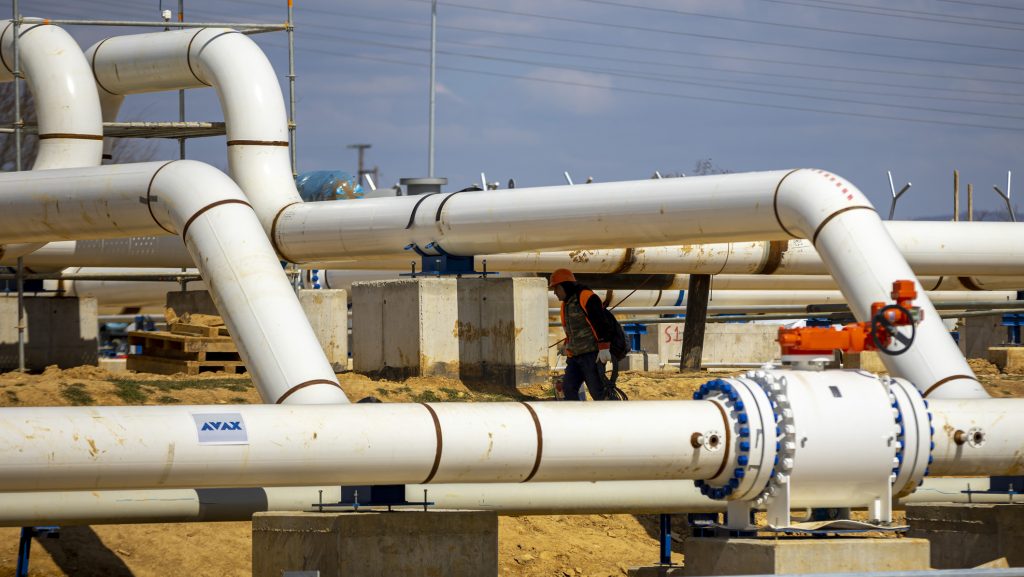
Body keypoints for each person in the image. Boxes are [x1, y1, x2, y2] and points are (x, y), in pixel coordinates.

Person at [550, 268, 614, 401]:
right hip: (575, 357)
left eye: (556, 288)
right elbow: (571, 329)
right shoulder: (565, 305)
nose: (554, 292)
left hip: (591, 356)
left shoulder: (586, 297)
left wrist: (604, 347)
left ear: (564, 286)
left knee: (598, 392)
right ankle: (575, 414)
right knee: (568, 388)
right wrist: (567, 344)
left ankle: (613, 412)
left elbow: (601, 323)